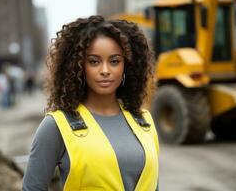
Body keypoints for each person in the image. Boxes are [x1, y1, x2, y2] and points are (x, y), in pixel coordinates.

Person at [23, 15, 159, 191]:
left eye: (114, 61)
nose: (105, 70)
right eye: (94, 62)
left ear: (127, 65)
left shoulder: (145, 121)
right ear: (78, 66)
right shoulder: (57, 126)